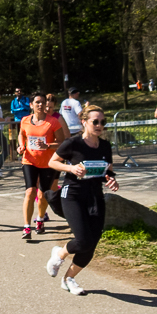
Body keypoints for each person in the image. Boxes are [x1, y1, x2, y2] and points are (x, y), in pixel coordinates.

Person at [47, 104, 120, 295]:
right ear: (84, 122)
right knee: (82, 240)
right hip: (72, 194)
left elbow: (108, 170)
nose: (99, 125)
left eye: (102, 122)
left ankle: (69, 279)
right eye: (95, 121)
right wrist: (71, 168)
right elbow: (52, 162)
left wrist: (111, 180)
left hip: (95, 196)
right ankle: (60, 253)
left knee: (92, 243)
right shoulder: (73, 143)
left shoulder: (104, 146)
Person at [17, 91, 66, 238]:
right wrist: (21, 146)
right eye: (37, 102)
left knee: (43, 194)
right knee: (30, 192)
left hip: (47, 163)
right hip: (29, 160)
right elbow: (22, 134)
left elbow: (62, 142)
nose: (40, 104)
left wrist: (48, 146)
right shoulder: (25, 120)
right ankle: (26, 227)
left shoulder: (53, 122)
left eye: (42, 102)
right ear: (31, 105)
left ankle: (40, 219)